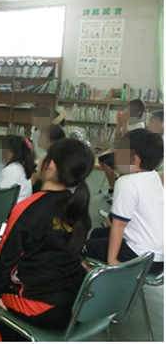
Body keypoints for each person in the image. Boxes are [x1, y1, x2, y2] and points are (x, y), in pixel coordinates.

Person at [0, 138, 94, 342]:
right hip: (78, 304)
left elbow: (5, 259)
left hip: (42, 307)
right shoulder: (79, 207)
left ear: (50, 165)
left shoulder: (28, 209)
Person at [82, 129, 164, 275]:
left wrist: (112, 260)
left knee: (81, 248)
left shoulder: (126, 182)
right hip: (159, 259)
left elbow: (118, 225)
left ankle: (98, 281)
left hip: (138, 257)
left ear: (134, 159)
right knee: (96, 233)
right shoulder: (153, 176)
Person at [98, 99, 145, 202]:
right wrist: (119, 124)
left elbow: (128, 140)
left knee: (107, 164)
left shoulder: (140, 126)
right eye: (127, 109)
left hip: (131, 155)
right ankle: (113, 185)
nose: (127, 111)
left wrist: (124, 124)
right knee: (101, 159)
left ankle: (114, 188)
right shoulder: (126, 122)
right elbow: (116, 139)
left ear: (139, 112)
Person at [31, 124, 66, 192]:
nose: (38, 139)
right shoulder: (57, 155)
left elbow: (34, 179)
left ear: (50, 141)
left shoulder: (49, 158)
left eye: (40, 136)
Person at [0, 135, 34, 203]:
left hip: (16, 209)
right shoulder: (21, 166)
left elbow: (4, 198)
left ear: (11, 153)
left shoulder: (11, 170)